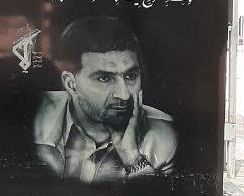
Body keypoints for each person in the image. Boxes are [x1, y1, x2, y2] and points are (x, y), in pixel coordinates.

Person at [34, 16, 177, 183]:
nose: (124, 95)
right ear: (71, 84)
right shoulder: (32, 118)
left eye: (130, 76)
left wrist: (133, 158)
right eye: (104, 78)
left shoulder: (164, 138)